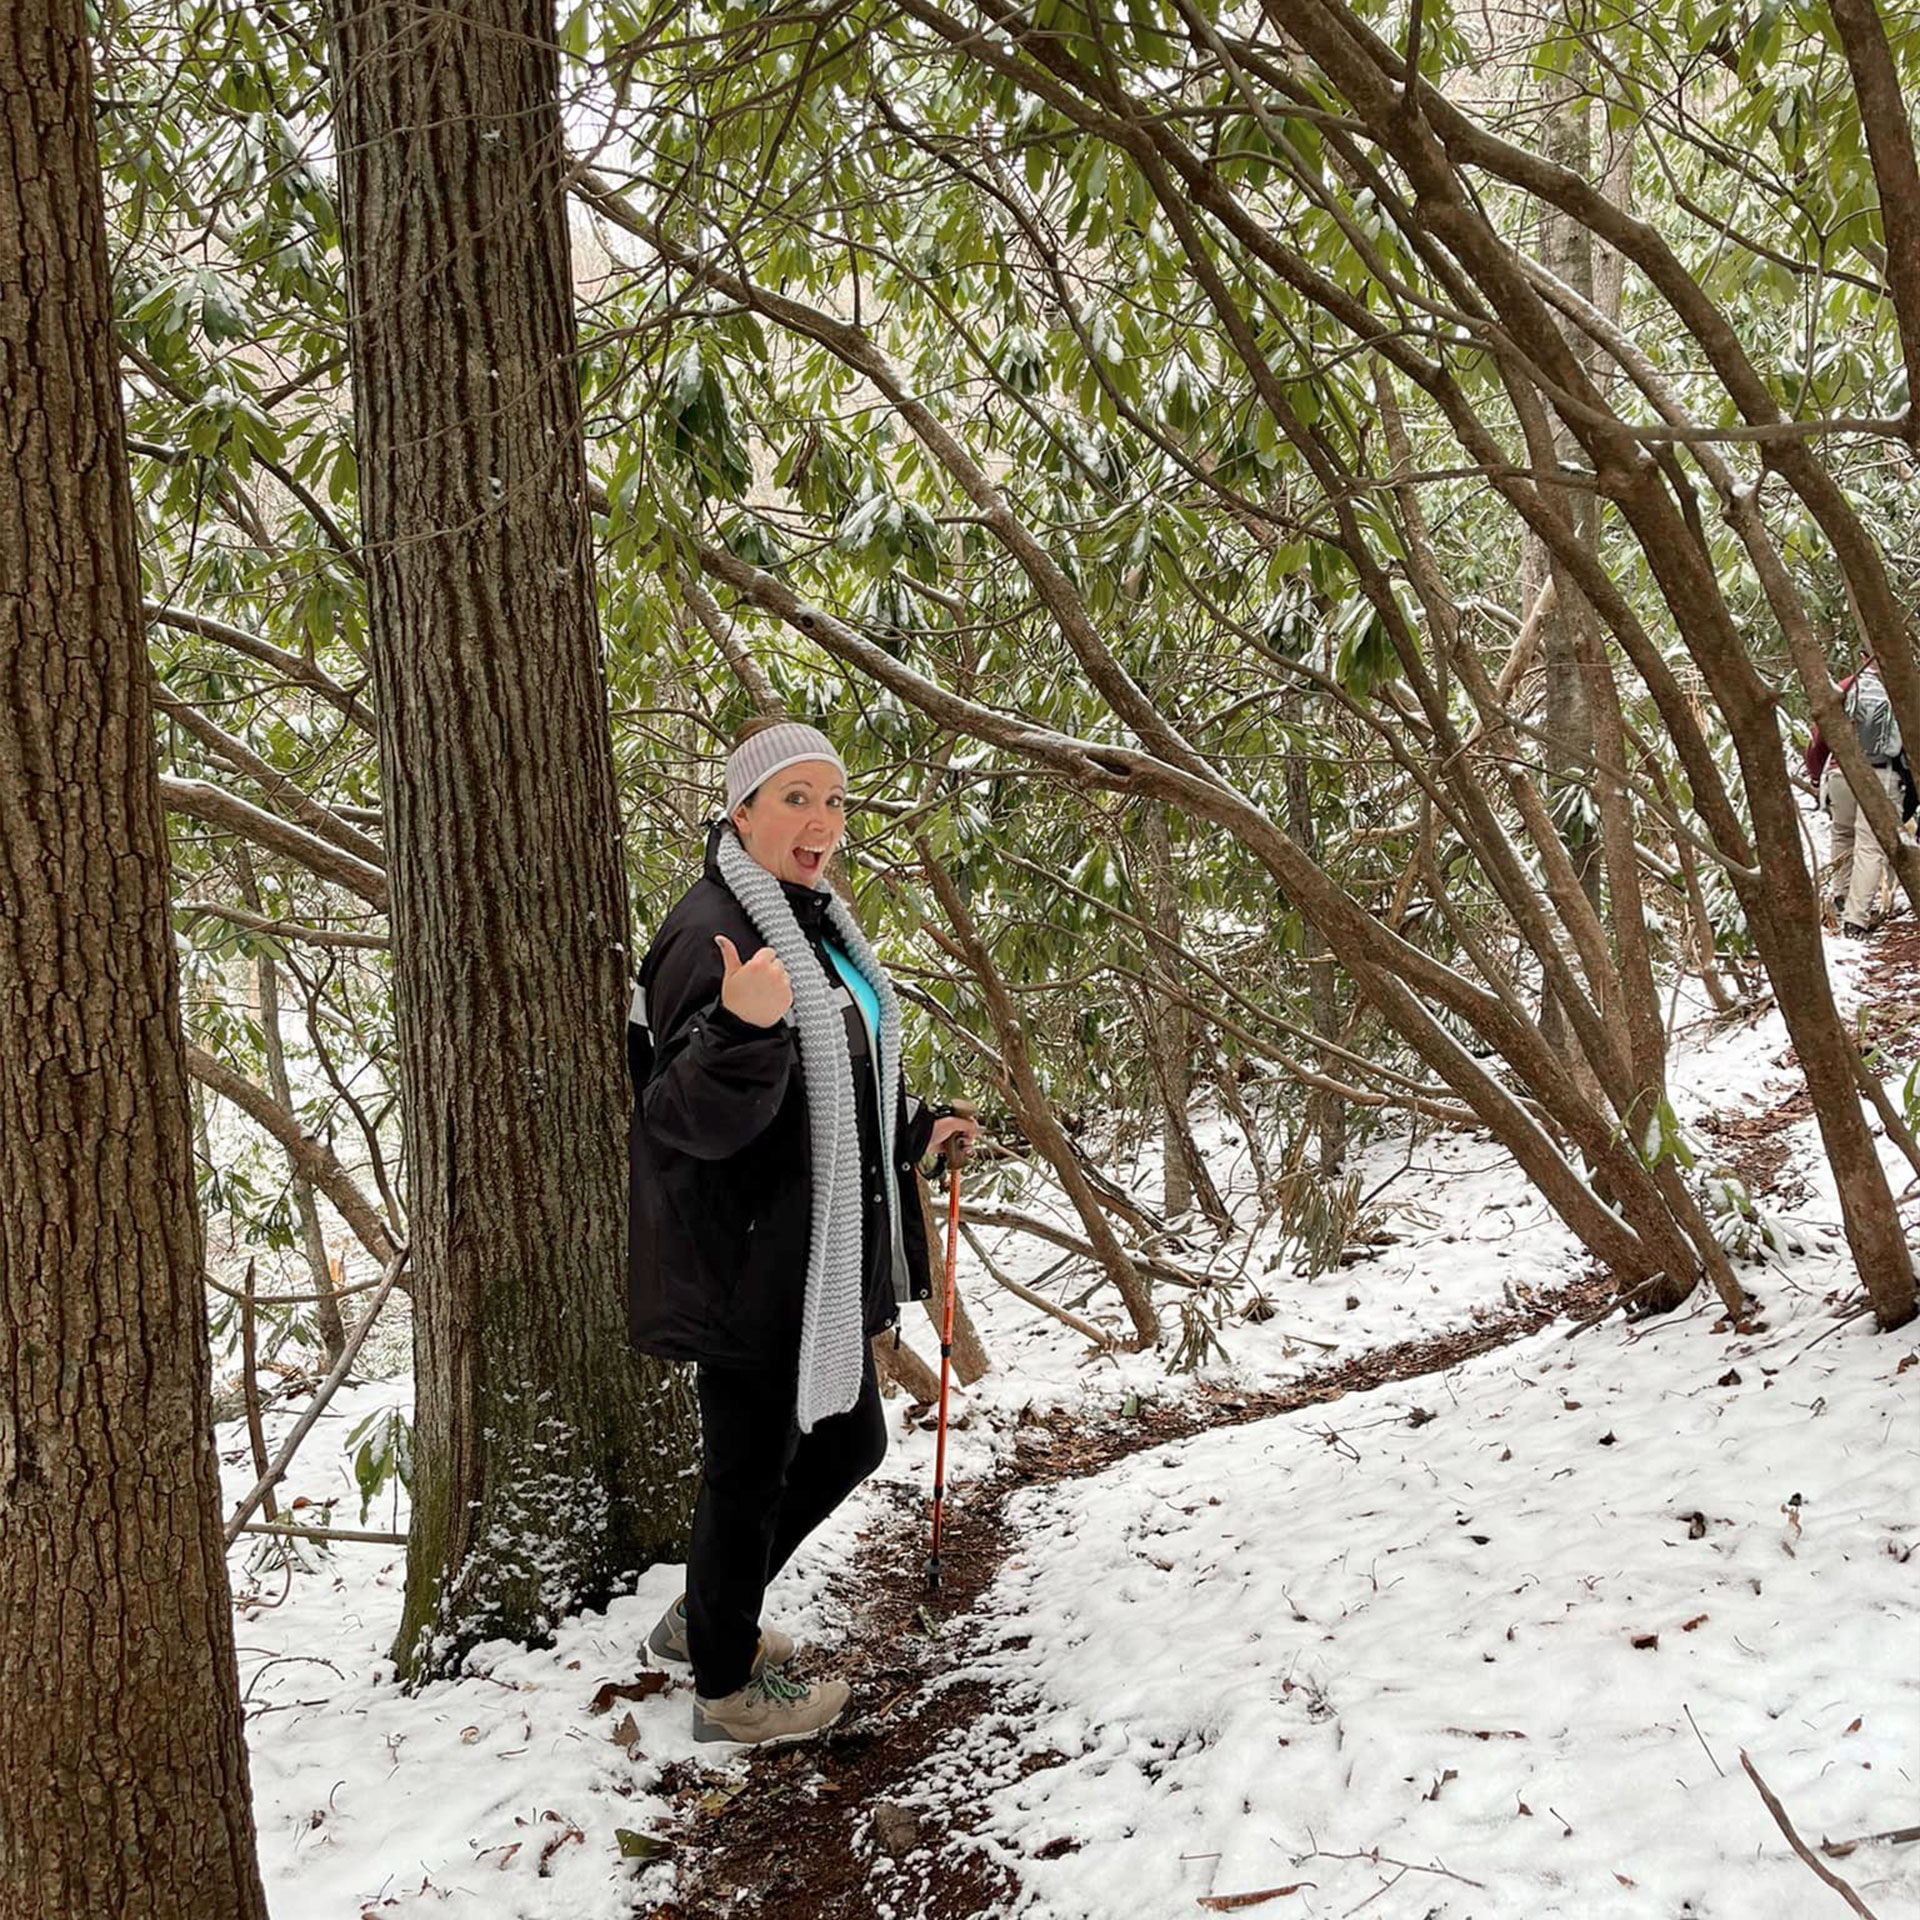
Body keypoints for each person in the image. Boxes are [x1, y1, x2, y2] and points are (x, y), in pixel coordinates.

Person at [625, 716, 978, 1746]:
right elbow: (677, 1117)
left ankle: (706, 1618)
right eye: (796, 799)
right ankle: (726, 1689)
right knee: (750, 1469)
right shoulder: (710, 931)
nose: (822, 821)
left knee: (847, 1442)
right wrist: (739, 1026)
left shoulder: (811, 917)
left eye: (834, 802)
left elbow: (845, 1071)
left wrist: (918, 1125)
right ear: (742, 812)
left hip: (815, 1251)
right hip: (748, 1264)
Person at [1805, 654, 1908, 937]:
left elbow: (1817, 740)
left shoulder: (1846, 687)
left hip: (1840, 773)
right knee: (1870, 845)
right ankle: (1856, 920)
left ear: (1864, 657)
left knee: (1842, 834)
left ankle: (1841, 896)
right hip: (1883, 775)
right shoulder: (1904, 688)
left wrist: (1816, 776)